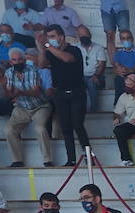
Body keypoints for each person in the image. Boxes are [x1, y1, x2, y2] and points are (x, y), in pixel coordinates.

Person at [38, 25, 89, 165]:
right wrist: (42, 48)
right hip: (60, 94)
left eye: (53, 36)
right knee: (66, 127)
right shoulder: (50, 51)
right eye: (48, 37)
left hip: (77, 92)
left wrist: (47, 45)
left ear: (61, 36)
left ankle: (88, 156)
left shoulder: (74, 50)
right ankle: (71, 159)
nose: (50, 40)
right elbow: (41, 64)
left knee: (77, 124)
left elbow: (67, 59)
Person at [3, 47, 52, 167]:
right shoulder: (8, 73)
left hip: (40, 106)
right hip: (22, 107)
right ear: (11, 62)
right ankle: (17, 160)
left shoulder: (33, 70)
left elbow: (36, 91)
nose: (17, 62)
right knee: (8, 130)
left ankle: (47, 160)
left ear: (24, 60)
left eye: (20, 59)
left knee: (39, 129)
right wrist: (5, 89)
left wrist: (19, 92)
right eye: (14, 60)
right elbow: (9, 93)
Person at [112, 28, 135, 95]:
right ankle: (118, 103)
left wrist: (129, 71)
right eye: (123, 38)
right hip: (124, 76)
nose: (126, 40)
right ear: (121, 40)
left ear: (132, 39)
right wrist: (120, 71)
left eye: (128, 38)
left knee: (132, 77)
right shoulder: (118, 54)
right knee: (119, 79)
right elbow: (116, 67)